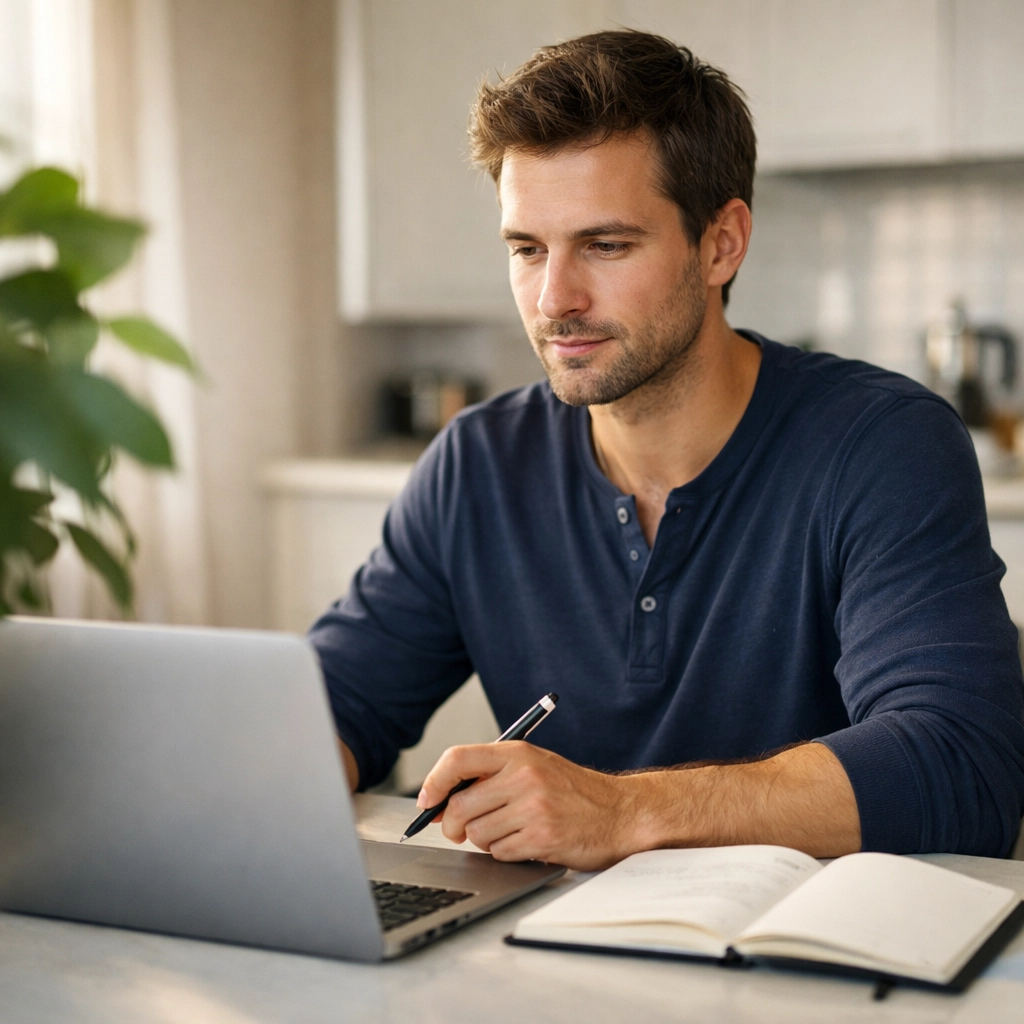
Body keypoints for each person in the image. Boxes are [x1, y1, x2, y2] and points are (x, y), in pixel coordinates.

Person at [309, 30, 1024, 870]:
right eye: (527, 249)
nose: (554, 299)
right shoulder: (478, 464)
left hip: (803, 941)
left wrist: (619, 810)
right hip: (539, 939)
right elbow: (334, 706)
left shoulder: (882, 445)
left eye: (606, 245)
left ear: (722, 243)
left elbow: (961, 767)